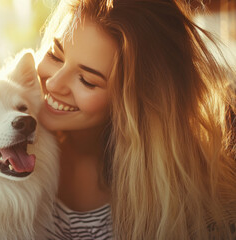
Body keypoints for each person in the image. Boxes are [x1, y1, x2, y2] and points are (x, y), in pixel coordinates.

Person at [33, 0, 236, 239]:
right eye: (55, 55)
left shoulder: (189, 208)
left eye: (87, 80)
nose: (54, 83)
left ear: (137, 101)